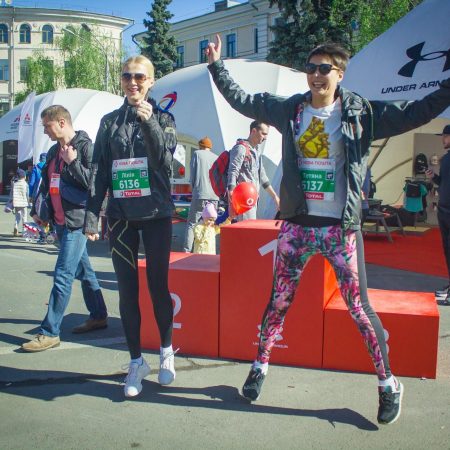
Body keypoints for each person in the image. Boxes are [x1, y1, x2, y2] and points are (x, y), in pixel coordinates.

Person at [206, 34, 450, 425]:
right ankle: (259, 367)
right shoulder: (291, 110)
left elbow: (416, 112)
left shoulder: (360, 113)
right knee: (279, 302)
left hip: (340, 230)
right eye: (311, 68)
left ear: (340, 74)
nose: (316, 75)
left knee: (359, 309)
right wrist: (217, 66)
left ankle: (388, 384)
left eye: (324, 69)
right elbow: (244, 100)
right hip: (298, 226)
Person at [84, 55, 178, 398]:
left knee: (158, 287)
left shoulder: (164, 118)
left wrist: (149, 122)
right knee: (127, 292)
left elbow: (164, 161)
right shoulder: (109, 122)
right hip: (121, 216)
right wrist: (92, 216)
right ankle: (136, 362)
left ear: (151, 81)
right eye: (127, 76)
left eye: (139, 76)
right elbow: (99, 170)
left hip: (156, 215)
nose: (132, 82)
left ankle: (166, 351)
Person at [21, 105, 108, 353]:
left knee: (63, 275)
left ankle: (50, 332)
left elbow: (95, 185)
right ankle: (99, 315)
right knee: (85, 272)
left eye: (47, 126)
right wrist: (39, 211)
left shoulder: (85, 147)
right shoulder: (52, 151)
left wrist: (72, 162)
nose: (45, 131)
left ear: (61, 122)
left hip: (76, 222)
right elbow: (47, 184)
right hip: (59, 222)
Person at [227, 121, 280, 220]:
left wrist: (275, 197)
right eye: (263, 134)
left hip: (252, 199)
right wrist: (231, 193)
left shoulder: (256, 151)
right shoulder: (241, 148)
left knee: (248, 227)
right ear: (254, 131)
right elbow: (233, 171)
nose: (265, 138)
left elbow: (262, 176)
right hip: (243, 198)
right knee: (246, 228)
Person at [426, 125, 450, 304]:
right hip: (444, 209)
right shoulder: (446, 158)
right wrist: (433, 177)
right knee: (447, 249)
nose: (443, 139)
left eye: (445, 136)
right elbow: (443, 183)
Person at [183, 136, 219, 252]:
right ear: (210, 147)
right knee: (210, 223)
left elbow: (193, 173)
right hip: (214, 196)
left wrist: (192, 188)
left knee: (192, 223)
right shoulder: (216, 157)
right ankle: (209, 249)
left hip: (200, 194)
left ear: (200, 146)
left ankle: (187, 251)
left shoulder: (197, 154)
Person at [11, 168, 29, 236]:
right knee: (24, 217)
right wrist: (28, 201)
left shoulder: (14, 184)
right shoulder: (25, 184)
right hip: (23, 203)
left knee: (17, 216)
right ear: (24, 176)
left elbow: (12, 193)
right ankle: (24, 232)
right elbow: (27, 194)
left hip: (16, 203)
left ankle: (16, 226)